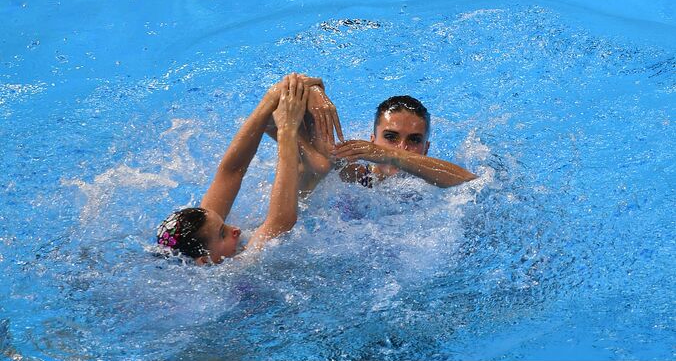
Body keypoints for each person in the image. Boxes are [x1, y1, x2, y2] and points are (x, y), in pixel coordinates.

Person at [155, 73, 342, 263]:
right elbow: (282, 221)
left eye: (224, 225)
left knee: (314, 173)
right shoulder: (237, 268)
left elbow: (232, 171)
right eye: (223, 233)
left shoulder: (204, 234)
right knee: (311, 178)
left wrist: (271, 98)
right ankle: (305, 162)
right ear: (205, 261)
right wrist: (287, 130)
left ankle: (305, 160)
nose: (235, 229)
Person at [333, 94, 476, 189]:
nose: (402, 148)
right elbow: (321, 154)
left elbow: (472, 182)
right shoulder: (357, 175)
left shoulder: (427, 185)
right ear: (372, 141)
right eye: (390, 137)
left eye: (414, 140)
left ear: (426, 149)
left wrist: (392, 155)